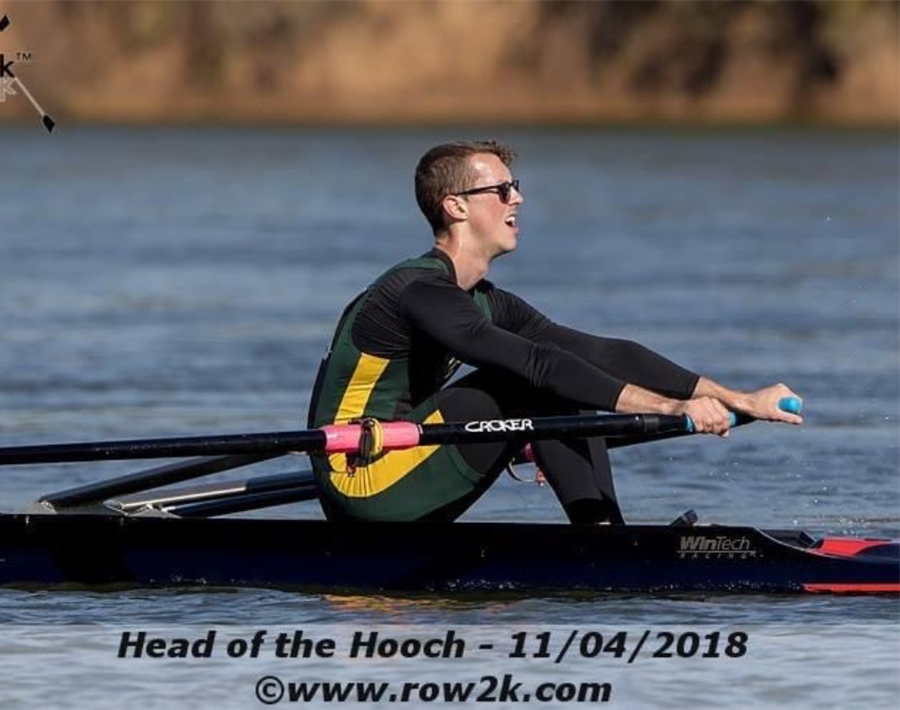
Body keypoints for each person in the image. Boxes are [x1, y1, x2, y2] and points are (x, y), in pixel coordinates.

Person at [307, 140, 802, 524]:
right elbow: (535, 366)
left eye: (514, 186)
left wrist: (738, 398)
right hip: (361, 480)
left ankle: (605, 536)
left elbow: (601, 352)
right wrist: (673, 409)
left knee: (571, 371)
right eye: (501, 190)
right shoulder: (419, 290)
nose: (517, 198)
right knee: (536, 379)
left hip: (407, 457)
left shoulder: (483, 300)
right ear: (456, 207)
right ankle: (604, 544)